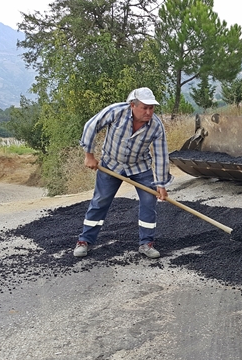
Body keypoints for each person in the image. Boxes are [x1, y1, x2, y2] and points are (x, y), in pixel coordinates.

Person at [73, 87, 173, 259]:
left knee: (149, 201)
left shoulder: (156, 126)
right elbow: (91, 126)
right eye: (145, 107)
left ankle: (146, 243)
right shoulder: (116, 112)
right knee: (100, 201)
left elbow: (161, 155)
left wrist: (161, 184)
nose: (149, 112)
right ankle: (85, 240)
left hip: (140, 166)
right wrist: (89, 155)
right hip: (111, 164)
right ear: (132, 105)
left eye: (152, 108)